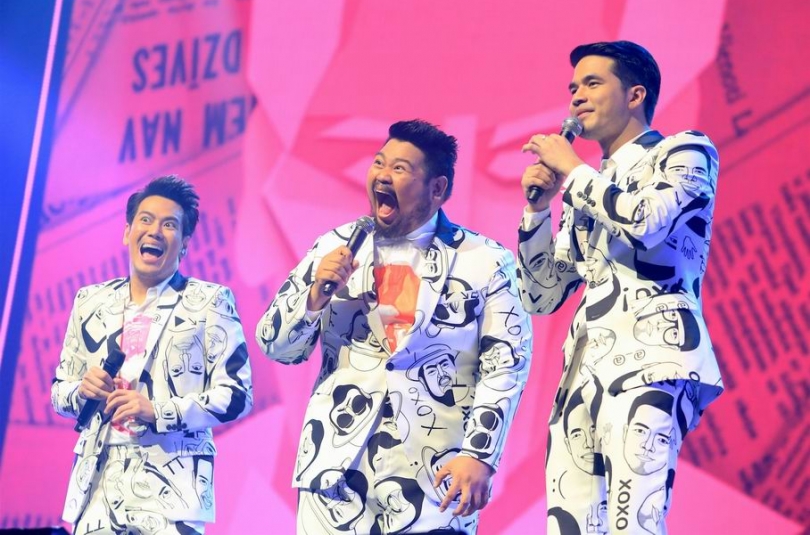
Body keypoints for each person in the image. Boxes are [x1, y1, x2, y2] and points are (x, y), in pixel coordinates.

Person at [257, 119, 532, 534]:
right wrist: (314, 296)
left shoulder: (485, 261)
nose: (382, 175)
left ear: (437, 188)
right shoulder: (335, 246)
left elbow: (505, 365)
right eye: (379, 163)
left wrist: (480, 454)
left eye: (400, 168)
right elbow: (276, 346)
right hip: (334, 469)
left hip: (433, 477)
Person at [516, 41, 723, 534]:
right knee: (571, 526)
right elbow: (541, 295)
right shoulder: (588, 186)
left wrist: (573, 171)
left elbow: (647, 223)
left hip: (651, 359)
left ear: (635, 95)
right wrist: (538, 212)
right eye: (573, 87)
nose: (576, 97)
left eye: (592, 83)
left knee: (636, 524)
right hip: (581, 373)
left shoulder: (685, 151)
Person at [52, 175, 253, 534]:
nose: (155, 231)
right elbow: (59, 392)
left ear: (185, 243)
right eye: (145, 220)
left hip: (172, 491)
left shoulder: (211, 301)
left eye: (169, 225)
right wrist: (81, 391)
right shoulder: (90, 301)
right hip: (97, 486)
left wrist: (157, 411)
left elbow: (238, 396)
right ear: (127, 232)